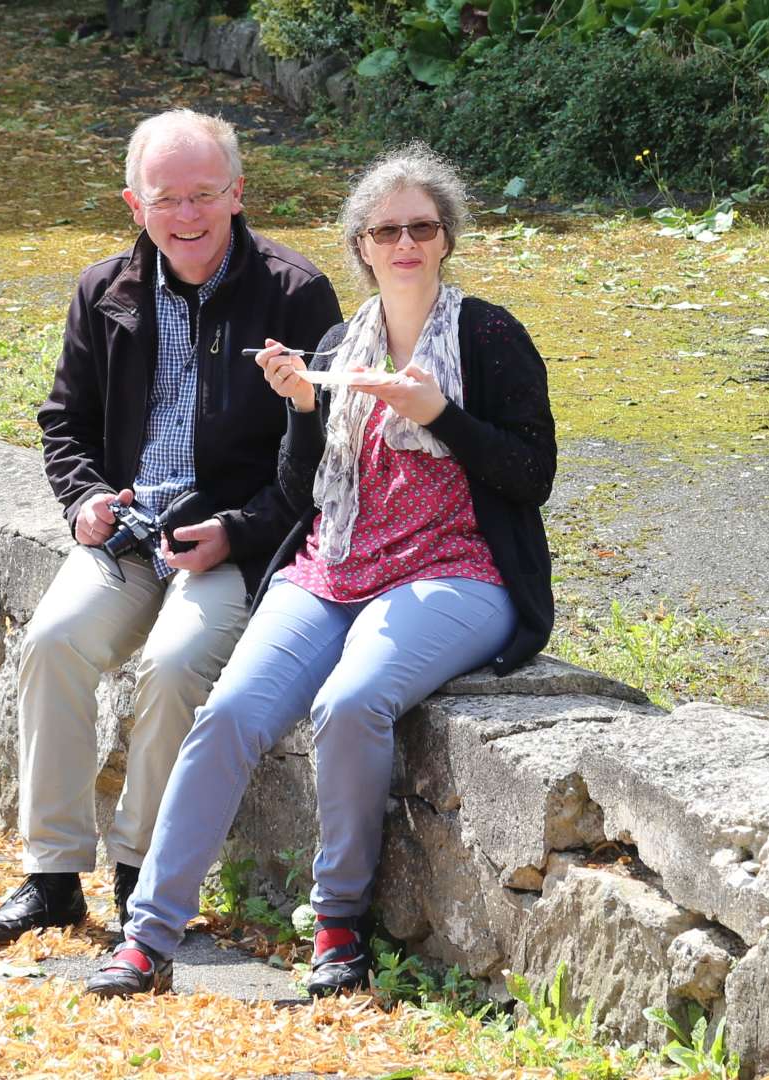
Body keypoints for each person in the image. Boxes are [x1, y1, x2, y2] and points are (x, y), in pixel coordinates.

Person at [82, 143, 556, 999]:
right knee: (227, 711)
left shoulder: (488, 336)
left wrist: (438, 413)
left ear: (446, 238)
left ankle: (338, 923)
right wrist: (303, 406)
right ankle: (148, 935)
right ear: (362, 247)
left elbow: (532, 475)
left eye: (422, 227)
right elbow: (302, 491)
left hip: (455, 570)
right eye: (386, 230)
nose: (405, 243)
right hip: (332, 563)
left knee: (350, 702)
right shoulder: (344, 342)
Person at [0, 109, 341, 945]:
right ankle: (53, 876)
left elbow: (321, 449)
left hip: (228, 539)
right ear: (134, 204)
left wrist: (240, 532)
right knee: (53, 643)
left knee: (175, 666)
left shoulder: (295, 292)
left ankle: (143, 876)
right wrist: (84, 498)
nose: (185, 215)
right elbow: (64, 422)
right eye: (164, 197)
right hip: (129, 533)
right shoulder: (105, 291)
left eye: (203, 194)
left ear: (237, 194)